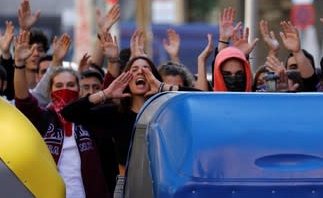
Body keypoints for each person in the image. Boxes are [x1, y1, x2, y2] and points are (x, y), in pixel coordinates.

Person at [62, 55, 198, 198]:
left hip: (164, 185)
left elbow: (204, 99)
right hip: (127, 186)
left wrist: (164, 88)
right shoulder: (115, 114)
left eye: (146, 69)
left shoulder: (168, 114)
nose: (140, 72)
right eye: (134, 69)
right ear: (126, 79)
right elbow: (69, 113)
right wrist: (105, 93)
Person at [14, 30, 109, 198]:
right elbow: (23, 100)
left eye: (71, 85)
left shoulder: (90, 118)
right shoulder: (44, 118)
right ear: (50, 91)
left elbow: (108, 91)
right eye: (59, 86)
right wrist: (19, 64)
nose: (64, 90)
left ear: (79, 90)